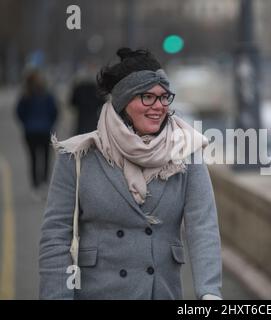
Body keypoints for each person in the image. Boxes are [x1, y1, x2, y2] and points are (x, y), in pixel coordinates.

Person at [39, 48, 222, 300]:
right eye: (147, 97)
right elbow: (56, 237)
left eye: (164, 97)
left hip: (160, 292)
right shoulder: (78, 156)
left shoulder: (186, 152)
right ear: (123, 102)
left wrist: (210, 292)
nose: (158, 106)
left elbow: (203, 226)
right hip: (97, 292)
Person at [16, 70, 58, 199]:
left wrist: (26, 123)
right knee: (46, 157)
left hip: (30, 132)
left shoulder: (26, 95)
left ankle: (35, 186)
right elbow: (55, 111)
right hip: (45, 130)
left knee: (33, 158)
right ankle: (44, 183)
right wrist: (50, 123)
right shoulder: (47, 94)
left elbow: (19, 112)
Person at [70, 64, 105, 135]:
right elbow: (103, 102)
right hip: (93, 122)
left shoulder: (79, 88)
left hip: (81, 121)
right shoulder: (97, 89)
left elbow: (72, 102)